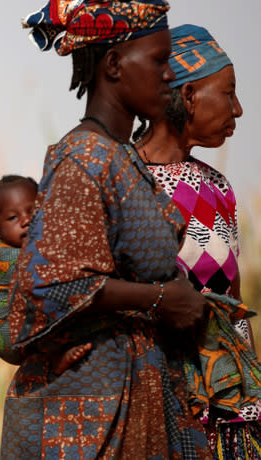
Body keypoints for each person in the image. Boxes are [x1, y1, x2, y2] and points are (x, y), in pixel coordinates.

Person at [0, 1, 217, 458]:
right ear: (113, 64)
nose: (170, 75)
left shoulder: (119, 156)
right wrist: (161, 299)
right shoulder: (83, 159)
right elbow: (54, 283)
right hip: (88, 409)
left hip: (133, 388)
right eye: (158, 60)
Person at [134, 24, 260, 458]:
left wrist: (252, 399)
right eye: (228, 93)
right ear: (188, 97)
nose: (238, 109)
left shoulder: (217, 186)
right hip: (157, 405)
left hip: (228, 410)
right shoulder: (125, 181)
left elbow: (235, 305)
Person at [0, 175, 91, 373]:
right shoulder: (10, 255)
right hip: (6, 333)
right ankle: (54, 356)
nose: (26, 220)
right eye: (13, 217)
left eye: (33, 211)